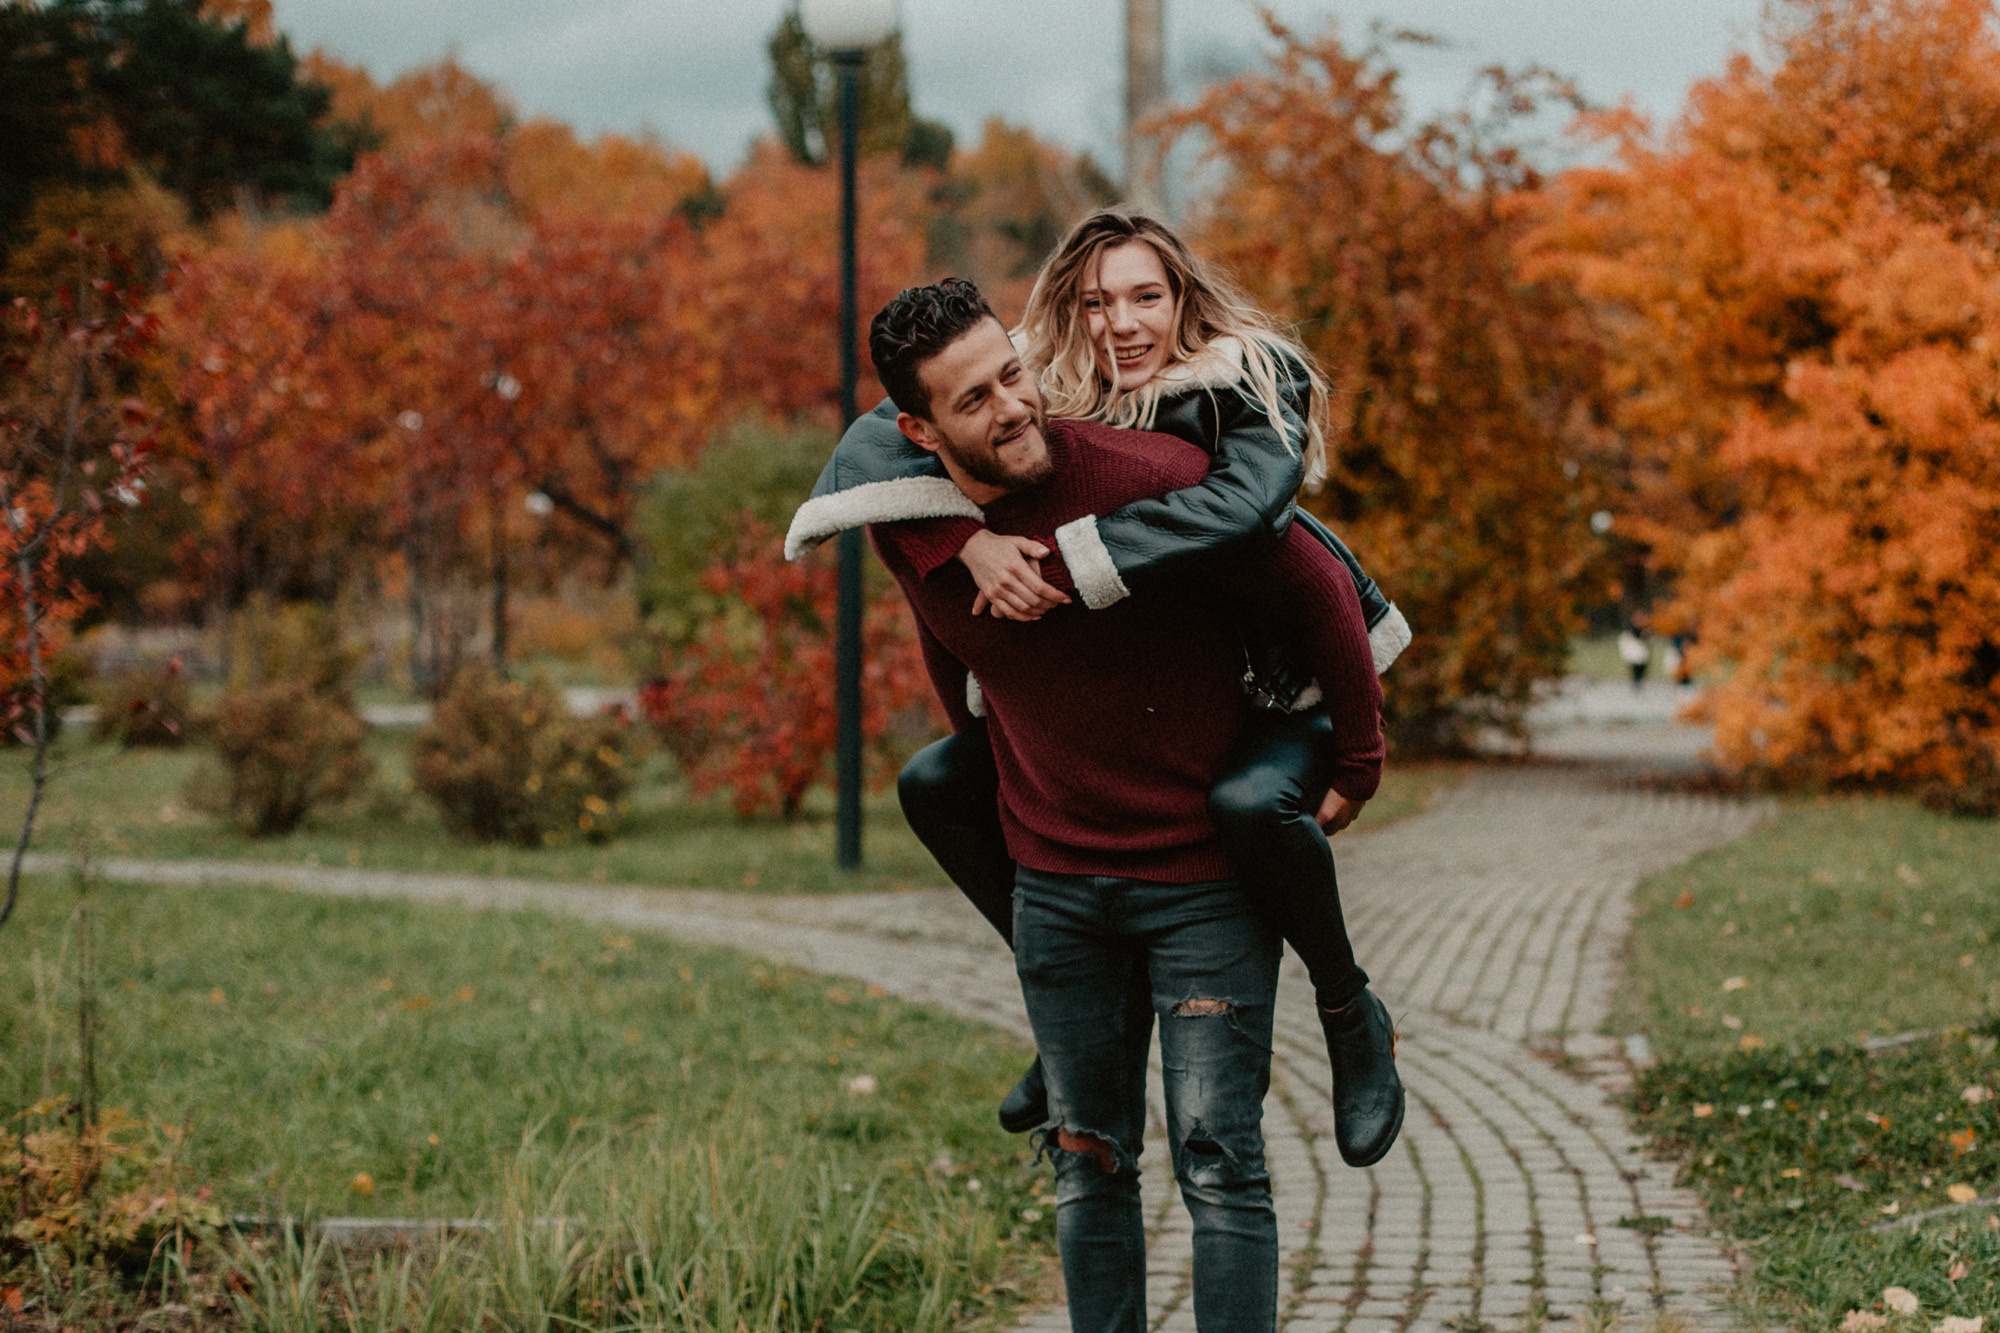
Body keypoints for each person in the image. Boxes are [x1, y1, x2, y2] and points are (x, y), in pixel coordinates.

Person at [785, 209, 1405, 1169]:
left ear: (1183, 298)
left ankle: (1348, 1009)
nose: (1121, 323)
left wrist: (1360, 761)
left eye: (1145, 296)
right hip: (1172, 690)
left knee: (1247, 802)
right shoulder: (1043, 384)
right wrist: (965, 542)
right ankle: (1064, 1006)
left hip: (1286, 682)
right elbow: (881, 449)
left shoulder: (1244, 384)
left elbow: (1265, 529)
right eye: (1093, 302)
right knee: (939, 781)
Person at [864, 276, 1385, 1332]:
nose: (1014, 406)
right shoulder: (912, 529)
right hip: (1057, 898)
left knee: (1218, 1165)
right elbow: (953, 643)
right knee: (1086, 1164)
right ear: (917, 432)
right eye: (974, 400)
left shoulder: (1145, 475)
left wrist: (1357, 761)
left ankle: (1352, 1012)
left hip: (1201, 887)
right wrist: (1001, 752)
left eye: (1013, 374)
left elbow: (1320, 585)